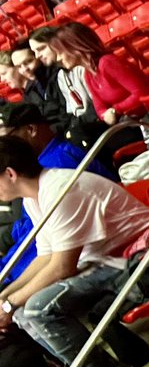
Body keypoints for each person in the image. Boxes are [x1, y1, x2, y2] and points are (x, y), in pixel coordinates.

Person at [0, 137, 149, 367]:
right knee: (22, 311)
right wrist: (5, 296)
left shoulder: (61, 190)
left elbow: (62, 266)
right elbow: (45, 257)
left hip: (134, 259)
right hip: (104, 261)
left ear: (10, 174)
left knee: (36, 309)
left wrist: (8, 304)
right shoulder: (36, 197)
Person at [0, 103, 115, 286]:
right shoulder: (41, 169)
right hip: (82, 254)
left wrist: (7, 276)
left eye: (7, 138)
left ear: (30, 129)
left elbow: (53, 258)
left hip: (108, 258)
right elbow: (38, 242)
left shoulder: (58, 165)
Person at [46, 22, 149, 126]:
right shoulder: (88, 74)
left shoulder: (107, 63)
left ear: (74, 47)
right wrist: (108, 114)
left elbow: (141, 92)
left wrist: (115, 110)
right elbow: (100, 110)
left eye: (60, 52)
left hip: (148, 119)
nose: (58, 58)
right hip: (128, 122)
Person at [10, 41, 69, 134]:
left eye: (28, 61)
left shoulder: (59, 75)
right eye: (19, 67)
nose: (24, 69)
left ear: (38, 57)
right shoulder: (29, 93)